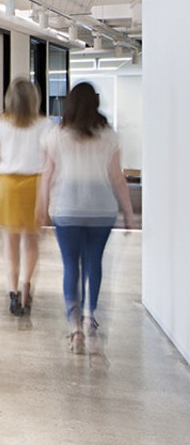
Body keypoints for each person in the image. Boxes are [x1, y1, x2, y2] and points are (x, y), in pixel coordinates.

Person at [36, 82, 138, 353]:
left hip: (66, 209)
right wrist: (128, 212)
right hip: (101, 210)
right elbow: (118, 178)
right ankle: (89, 317)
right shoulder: (109, 136)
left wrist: (42, 208)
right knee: (94, 264)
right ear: (95, 103)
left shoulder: (55, 135)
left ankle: (74, 328)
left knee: (71, 266)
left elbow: (47, 174)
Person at [0, 78, 51, 317]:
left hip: (7, 186)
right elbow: (49, 163)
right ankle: (26, 287)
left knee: (10, 242)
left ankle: (12, 291)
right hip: (35, 185)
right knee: (31, 242)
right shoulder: (46, 125)